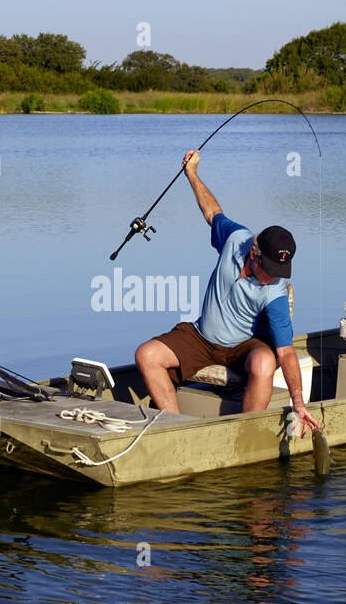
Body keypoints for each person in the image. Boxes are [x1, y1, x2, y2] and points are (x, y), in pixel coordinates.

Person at [135, 150, 321, 435]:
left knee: (265, 361)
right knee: (147, 355)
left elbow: (285, 352)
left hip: (243, 346)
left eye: (279, 271)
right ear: (254, 252)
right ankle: (176, 430)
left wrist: (299, 402)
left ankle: (245, 434)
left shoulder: (276, 293)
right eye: (269, 267)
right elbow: (212, 212)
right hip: (200, 337)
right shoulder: (236, 239)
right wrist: (192, 174)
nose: (273, 277)